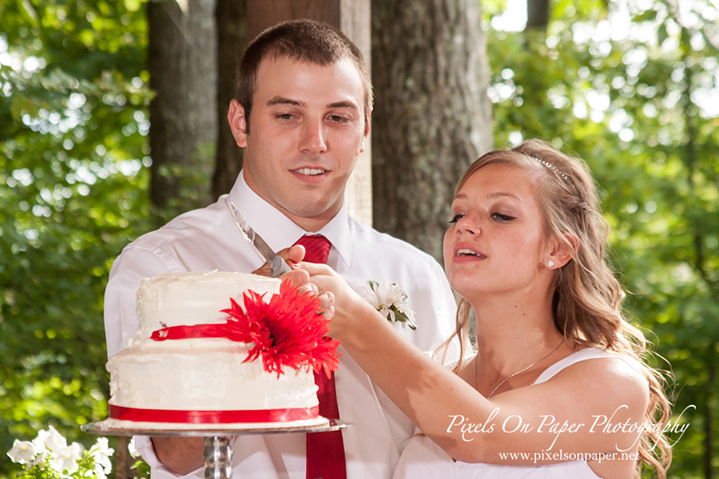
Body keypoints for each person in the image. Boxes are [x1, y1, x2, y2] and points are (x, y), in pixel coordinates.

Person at [103, 19, 457, 479]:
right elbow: (171, 454)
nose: (315, 142)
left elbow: (457, 440)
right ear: (240, 123)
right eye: (287, 115)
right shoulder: (160, 267)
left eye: (338, 117)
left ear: (365, 130)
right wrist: (238, 330)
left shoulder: (417, 275)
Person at [300, 139, 673, 479]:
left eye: (501, 215)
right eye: (457, 214)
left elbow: (480, 434)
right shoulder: (441, 375)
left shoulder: (612, 384)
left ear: (557, 250)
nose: (465, 226)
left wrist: (356, 321)